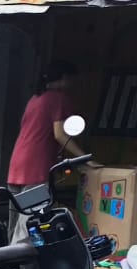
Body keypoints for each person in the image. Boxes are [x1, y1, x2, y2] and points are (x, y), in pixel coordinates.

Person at [8, 61, 94, 242]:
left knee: (15, 222)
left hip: (17, 165)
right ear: (64, 78)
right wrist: (84, 159)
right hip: (36, 167)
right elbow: (60, 134)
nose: (73, 84)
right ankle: (20, 260)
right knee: (29, 224)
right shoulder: (58, 98)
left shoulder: (35, 98)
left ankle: (5, 257)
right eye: (72, 79)